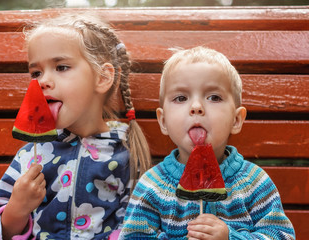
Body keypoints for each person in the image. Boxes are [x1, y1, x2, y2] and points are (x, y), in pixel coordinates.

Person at [0, 13, 151, 240]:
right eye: (36, 73)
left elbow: (135, 227)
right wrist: (17, 209)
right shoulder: (30, 155)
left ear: (102, 77)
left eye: (61, 67)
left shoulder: (125, 154)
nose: (43, 81)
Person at [118, 46, 295, 239]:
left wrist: (230, 237)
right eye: (181, 98)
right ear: (163, 121)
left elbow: (282, 235)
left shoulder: (254, 183)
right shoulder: (152, 187)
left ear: (236, 120)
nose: (196, 107)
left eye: (214, 97)